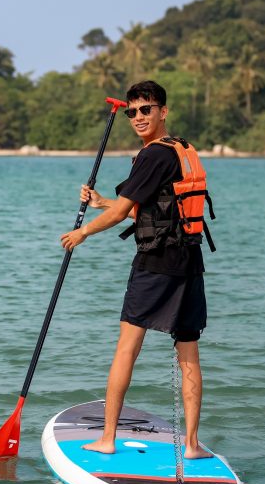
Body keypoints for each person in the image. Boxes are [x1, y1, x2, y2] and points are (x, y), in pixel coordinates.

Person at [60, 80, 214, 459]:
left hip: (156, 265)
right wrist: (100, 203)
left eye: (147, 109)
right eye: (132, 112)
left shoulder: (151, 156)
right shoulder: (181, 150)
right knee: (188, 353)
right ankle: (192, 446)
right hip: (189, 264)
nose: (139, 117)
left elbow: (119, 216)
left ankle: (107, 439)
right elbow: (144, 210)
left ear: (163, 111)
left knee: (126, 349)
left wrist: (82, 233)